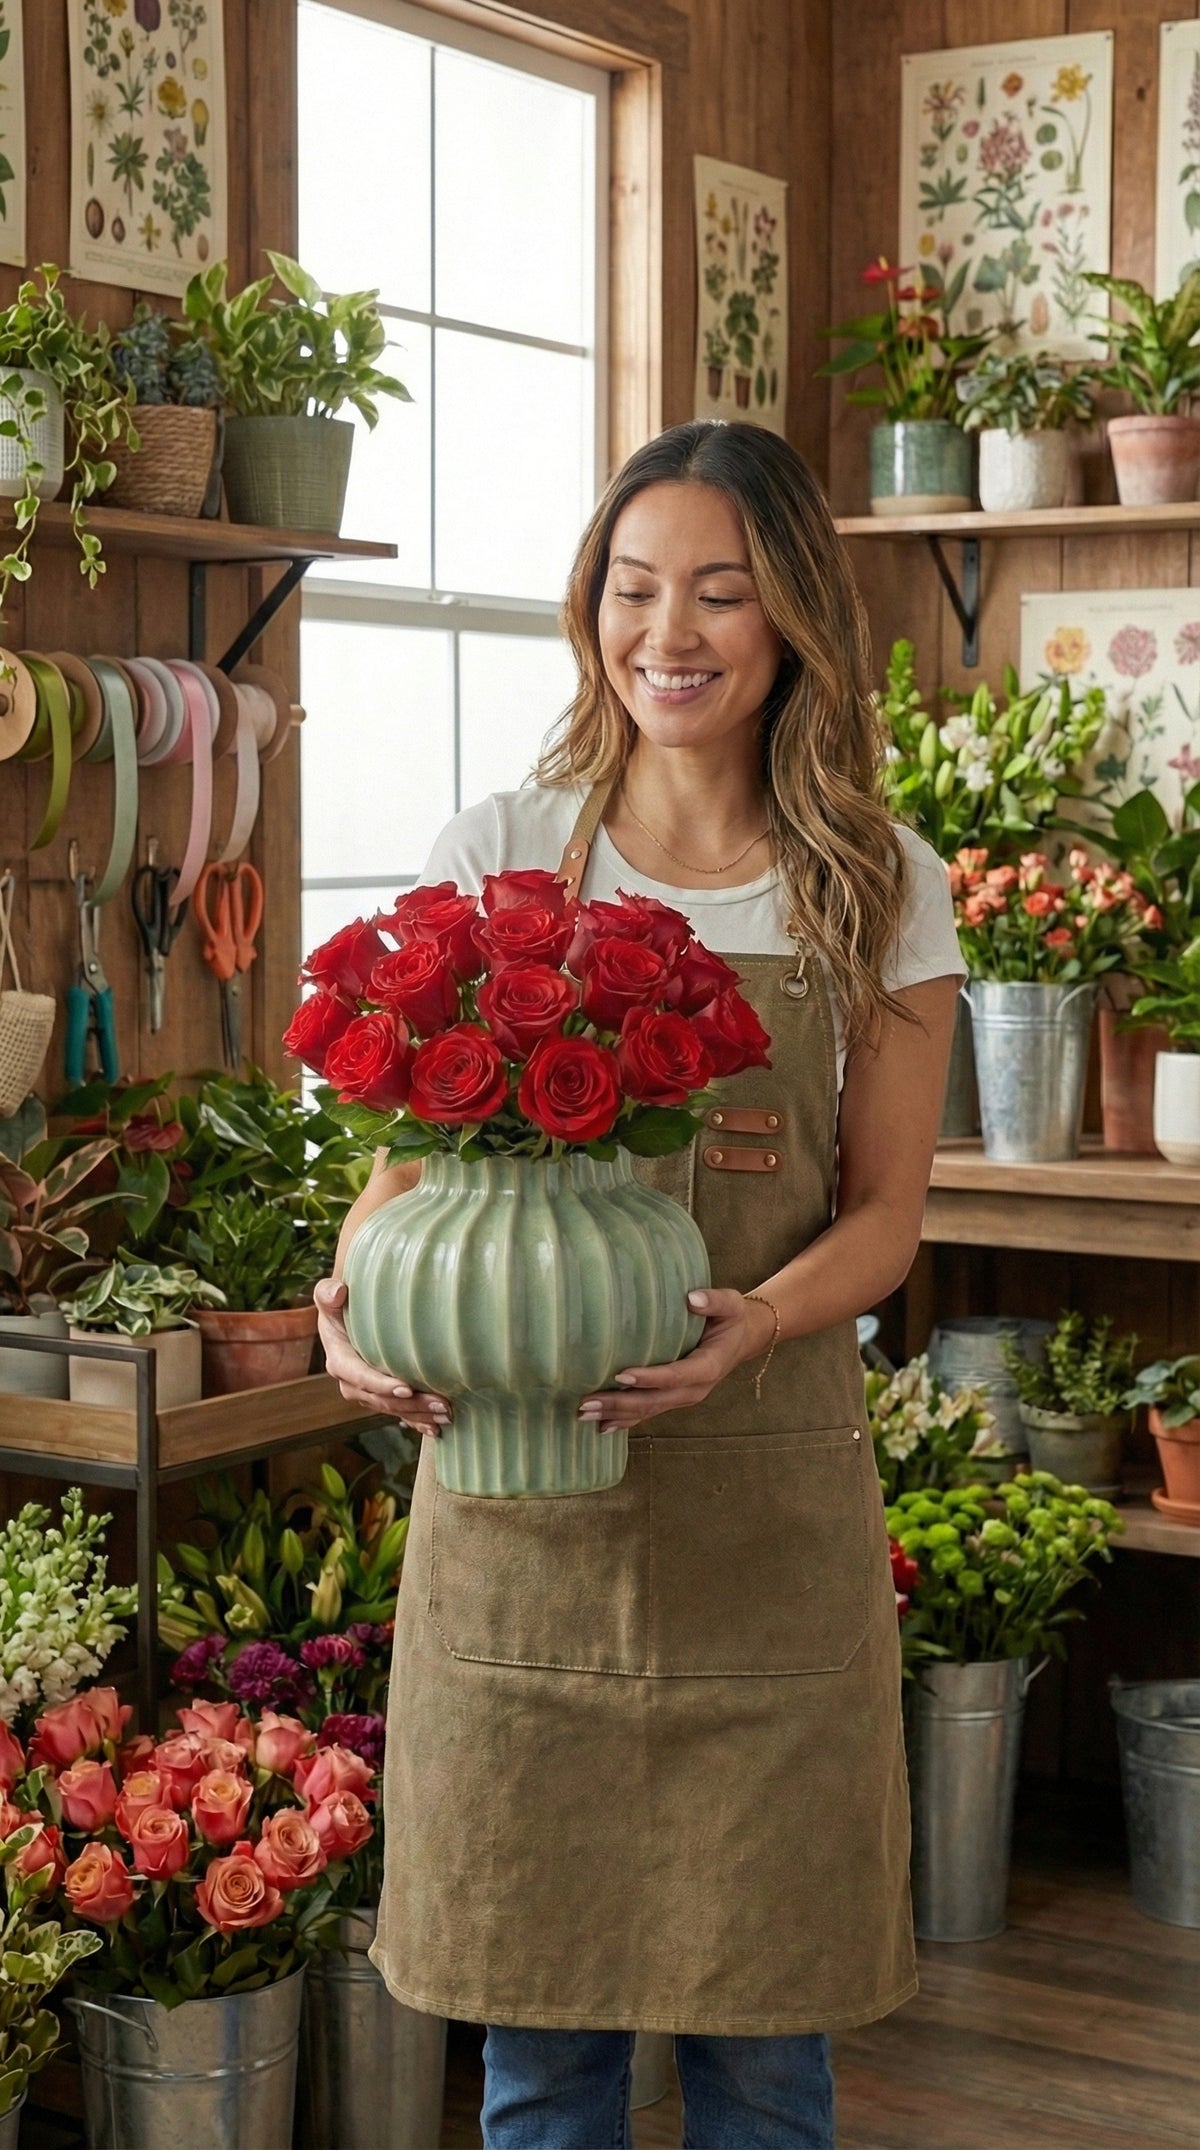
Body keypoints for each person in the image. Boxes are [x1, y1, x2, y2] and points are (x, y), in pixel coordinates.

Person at [314, 420, 965, 2150]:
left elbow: (889, 1214)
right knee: (542, 2058)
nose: (667, 632)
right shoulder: (510, 843)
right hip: (529, 1516)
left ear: (792, 620)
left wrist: (757, 1319)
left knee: (766, 2049)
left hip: (767, 1514)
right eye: (632, 585)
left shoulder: (878, 881)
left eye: (720, 593)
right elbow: (404, 1169)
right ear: (591, 607)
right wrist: (348, 1293)